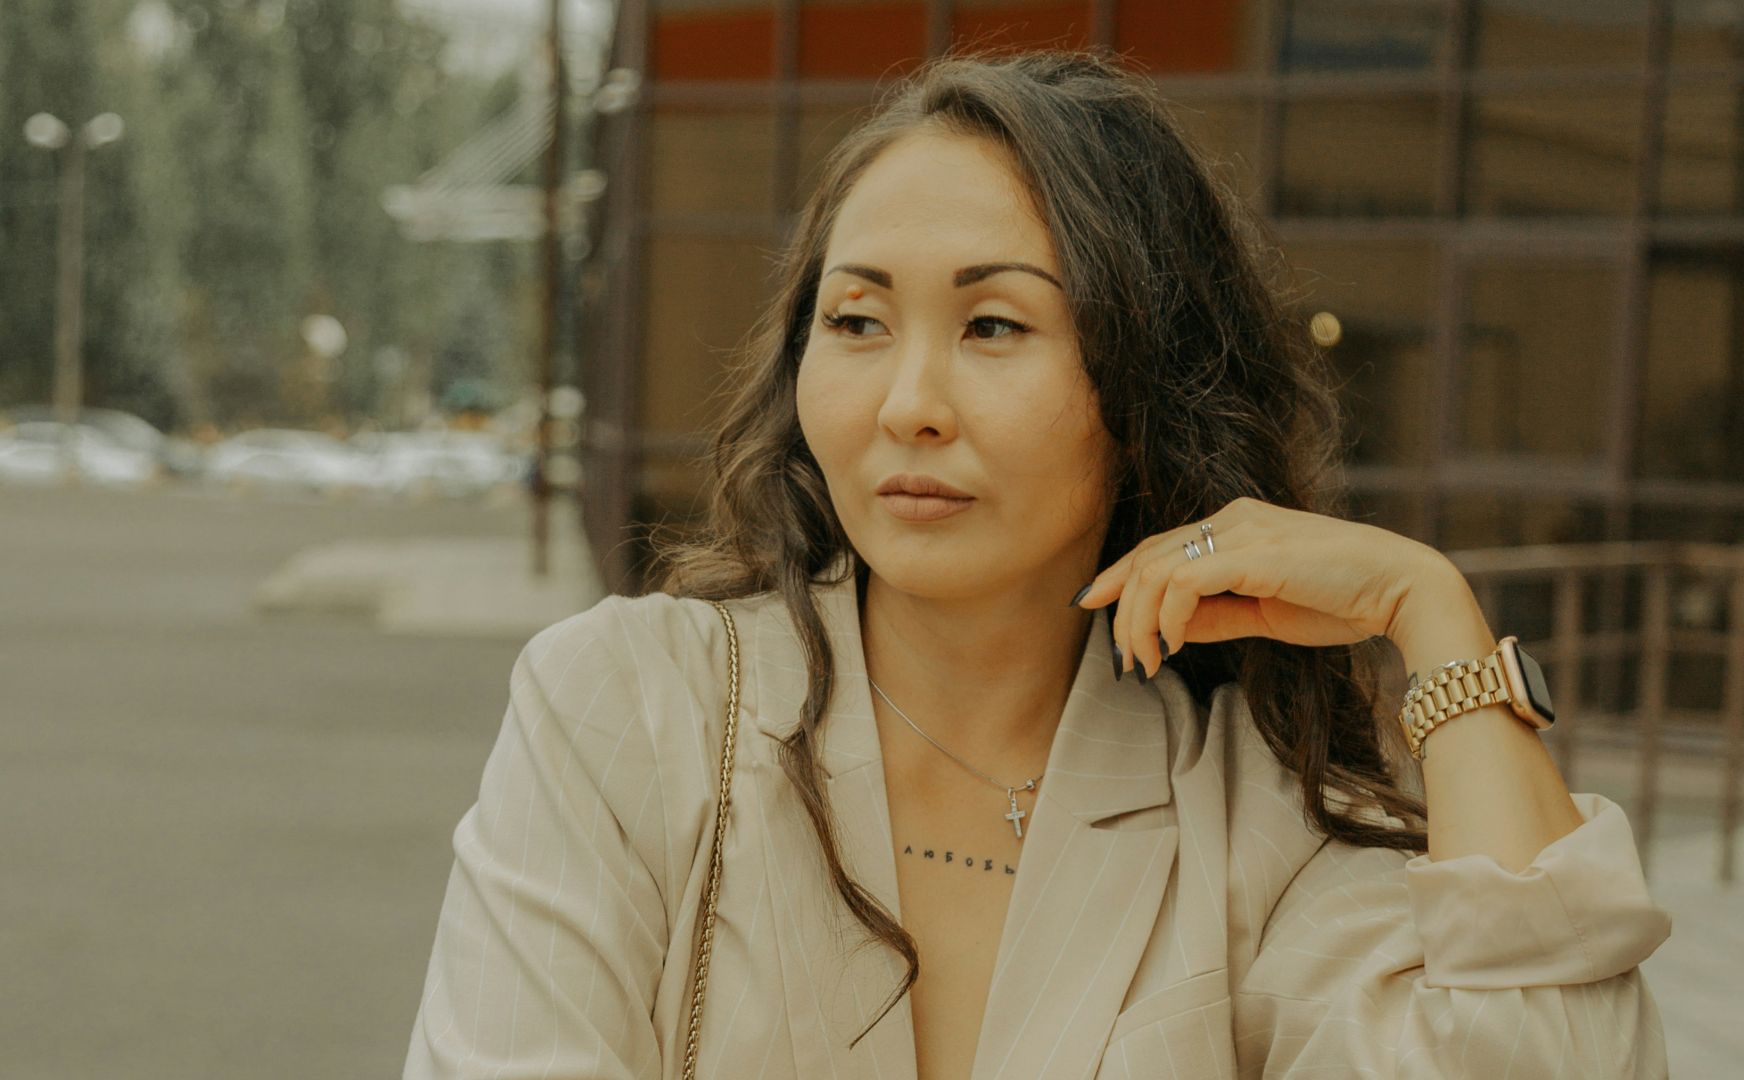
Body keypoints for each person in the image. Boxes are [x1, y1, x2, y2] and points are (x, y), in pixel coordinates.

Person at [402, 48, 1672, 1079]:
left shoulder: (1251, 820)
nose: (909, 402)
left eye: (994, 324)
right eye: (857, 321)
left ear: (1143, 384)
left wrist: (1433, 615)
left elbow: (1544, 1061)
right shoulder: (627, 708)